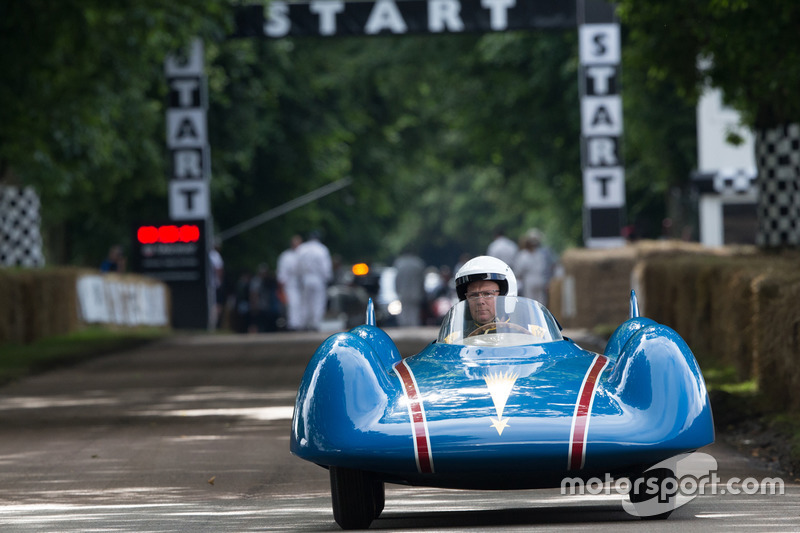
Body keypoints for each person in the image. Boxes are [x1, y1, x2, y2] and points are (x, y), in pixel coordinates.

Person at [453, 255, 518, 335]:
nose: (480, 301)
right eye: (473, 295)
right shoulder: (454, 341)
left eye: (488, 294)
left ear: (504, 297)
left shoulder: (527, 337)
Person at [295, 230, 333, 331]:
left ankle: (303, 324)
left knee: (305, 302)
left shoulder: (302, 248)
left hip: (305, 278)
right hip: (317, 278)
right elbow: (326, 267)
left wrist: (300, 277)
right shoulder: (322, 249)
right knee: (318, 302)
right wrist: (328, 278)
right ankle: (315, 324)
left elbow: (297, 266)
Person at [514, 228, 555, 305]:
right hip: (540, 279)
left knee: (530, 302)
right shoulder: (541, 254)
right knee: (540, 303)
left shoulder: (523, 255)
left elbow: (519, 271)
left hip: (529, 280)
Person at [393, 249, 426, 327]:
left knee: (404, 312)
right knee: (414, 313)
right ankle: (413, 331)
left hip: (403, 291)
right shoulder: (418, 263)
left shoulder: (399, 263)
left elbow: (397, 279)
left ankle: (404, 329)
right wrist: (422, 292)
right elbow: (422, 280)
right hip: (416, 291)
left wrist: (397, 290)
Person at [276, 235, 303, 331]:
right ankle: (293, 325)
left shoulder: (304, 254)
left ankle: (303, 324)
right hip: (291, 284)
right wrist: (281, 285)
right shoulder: (286, 256)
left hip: (303, 284)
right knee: (293, 304)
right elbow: (282, 272)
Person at [208, 240, 225, 328]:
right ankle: (213, 324)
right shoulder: (215, 255)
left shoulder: (208, 254)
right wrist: (220, 282)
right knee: (217, 306)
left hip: (209, 285)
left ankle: (213, 324)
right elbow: (219, 269)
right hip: (214, 285)